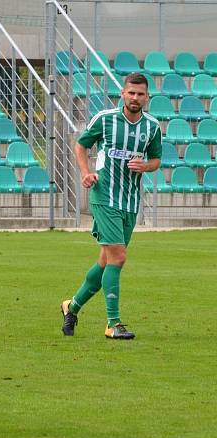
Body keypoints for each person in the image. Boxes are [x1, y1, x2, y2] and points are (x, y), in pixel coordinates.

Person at [60, 72, 161, 340]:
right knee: (118, 257)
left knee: (106, 261)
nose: (135, 97)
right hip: (104, 196)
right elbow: (81, 145)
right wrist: (85, 172)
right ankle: (113, 324)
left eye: (140, 94)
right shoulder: (105, 120)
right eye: (131, 92)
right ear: (123, 94)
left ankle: (72, 306)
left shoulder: (152, 127)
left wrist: (145, 166)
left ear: (147, 97)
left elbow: (156, 160)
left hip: (130, 202)